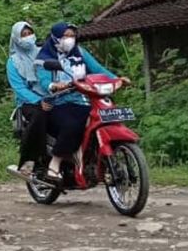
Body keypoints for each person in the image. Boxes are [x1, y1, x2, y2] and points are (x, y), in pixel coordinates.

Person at [35, 23, 128, 183]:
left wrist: (117, 79)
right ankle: (55, 163)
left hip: (86, 99)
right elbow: (43, 80)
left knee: (104, 117)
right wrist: (54, 86)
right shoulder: (44, 58)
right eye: (65, 36)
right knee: (73, 124)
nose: (69, 39)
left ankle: (99, 159)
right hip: (59, 102)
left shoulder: (80, 53)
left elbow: (98, 69)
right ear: (56, 37)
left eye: (72, 36)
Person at [5, 21, 50, 176]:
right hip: (29, 101)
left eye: (29, 33)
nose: (28, 37)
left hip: (53, 95)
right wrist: (38, 100)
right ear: (16, 39)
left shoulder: (44, 53)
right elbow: (19, 88)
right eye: (23, 35)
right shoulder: (13, 62)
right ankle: (29, 160)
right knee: (39, 115)